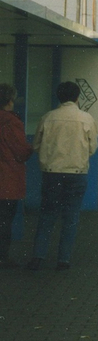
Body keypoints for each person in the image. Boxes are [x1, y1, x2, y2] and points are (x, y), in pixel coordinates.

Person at [26, 81, 98, 271]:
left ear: (58, 97)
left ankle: (38, 257)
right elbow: (92, 148)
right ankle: (63, 260)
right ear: (77, 97)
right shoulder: (86, 118)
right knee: (71, 216)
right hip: (77, 173)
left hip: (52, 173)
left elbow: (35, 145)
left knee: (47, 215)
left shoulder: (48, 117)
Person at [0, 84, 33, 268]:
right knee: (4, 220)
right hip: (7, 180)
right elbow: (20, 151)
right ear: (9, 100)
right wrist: (32, 147)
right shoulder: (12, 122)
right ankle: (2, 257)